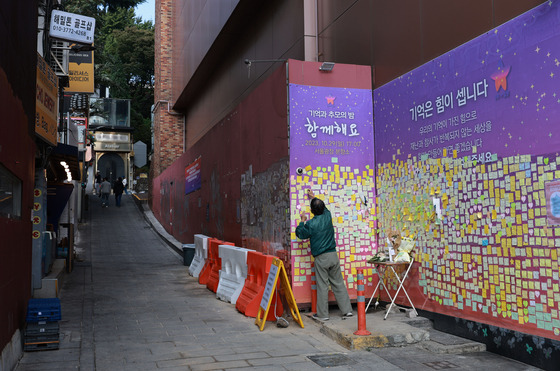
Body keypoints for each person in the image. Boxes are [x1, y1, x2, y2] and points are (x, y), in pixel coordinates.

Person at [296, 189, 353, 321]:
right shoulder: (328, 216)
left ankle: (323, 315)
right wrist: (313, 197)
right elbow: (323, 208)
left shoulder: (310, 224)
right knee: (339, 283)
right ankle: (347, 311)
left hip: (321, 258)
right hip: (333, 255)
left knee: (322, 286)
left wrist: (302, 221)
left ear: (311, 212)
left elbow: (300, 234)